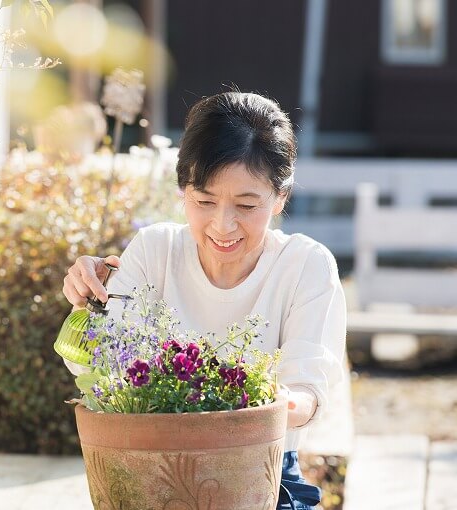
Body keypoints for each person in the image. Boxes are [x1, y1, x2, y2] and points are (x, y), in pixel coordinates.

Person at [61, 91, 346, 510]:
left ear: (280, 197)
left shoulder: (306, 265)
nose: (223, 225)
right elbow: (101, 364)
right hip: (149, 468)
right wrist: (88, 306)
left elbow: (306, 396)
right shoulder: (155, 250)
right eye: (204, 201)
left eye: (247, 205)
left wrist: (232, 405)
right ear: (182, 191)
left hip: (262, 474)